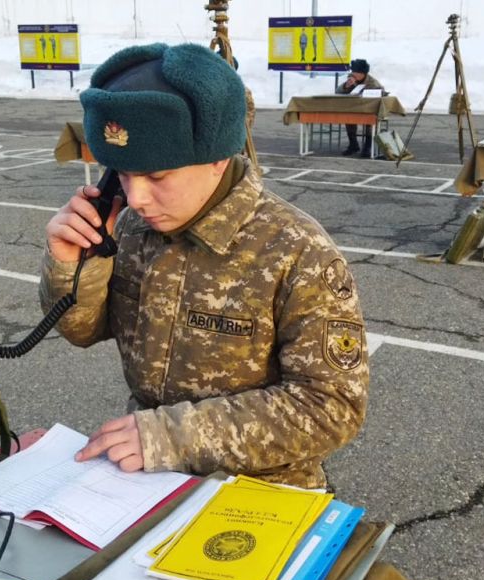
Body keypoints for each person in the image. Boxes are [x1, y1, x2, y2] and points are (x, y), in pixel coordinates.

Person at [40, 43, 369, 489]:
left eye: (157, 176)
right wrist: (72, 265)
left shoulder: (295, 249)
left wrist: (173, 436)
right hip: (145, 477)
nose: (136, 197)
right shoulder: (131, 225)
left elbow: (332, 406)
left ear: (218, 159)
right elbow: (80, 330)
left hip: (259, 487)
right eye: (123, 173)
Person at [336, 58, 385, 157]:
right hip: (354, 109)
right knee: (348, 118)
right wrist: (346, 86)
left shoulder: (372, 82)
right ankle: (353, 144)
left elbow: (380, 93)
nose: (353, 74)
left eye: (356, 72)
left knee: (369, 121)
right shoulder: (351, 79)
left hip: (369, 109)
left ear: (363, 73)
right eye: (353, 72)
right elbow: (338, 91)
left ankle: (368, 146)